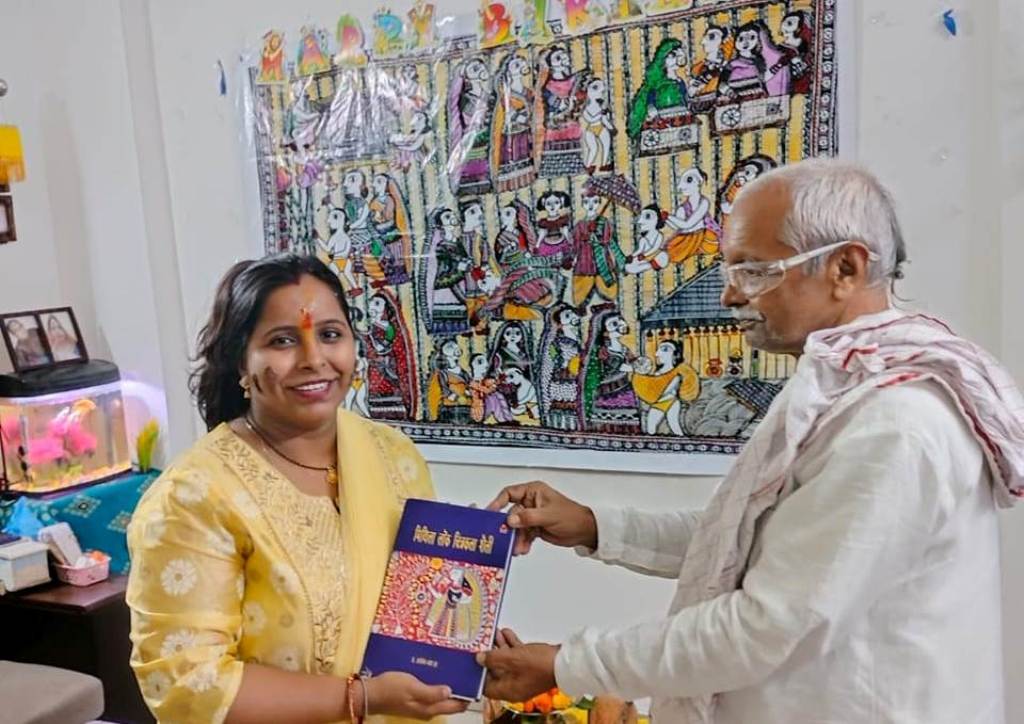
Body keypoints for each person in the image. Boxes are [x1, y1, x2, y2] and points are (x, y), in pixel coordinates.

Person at [477, 160, 1024, 723]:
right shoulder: (843, 389)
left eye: (755, 271)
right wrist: (594, 525)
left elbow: (766, 626)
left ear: (845, 267)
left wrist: (567, 665)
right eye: (730, 270)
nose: (730, 295)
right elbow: (747, 539)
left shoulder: (896, 423)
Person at [126, 254, 467, 723]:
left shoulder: (393, 456)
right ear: (240, 362)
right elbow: (188, 683)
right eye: (282, 341)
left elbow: (421, 606)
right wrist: (363, 698)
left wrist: (471, 645)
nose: (313, 360)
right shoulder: (194, 497)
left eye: (330, 334)